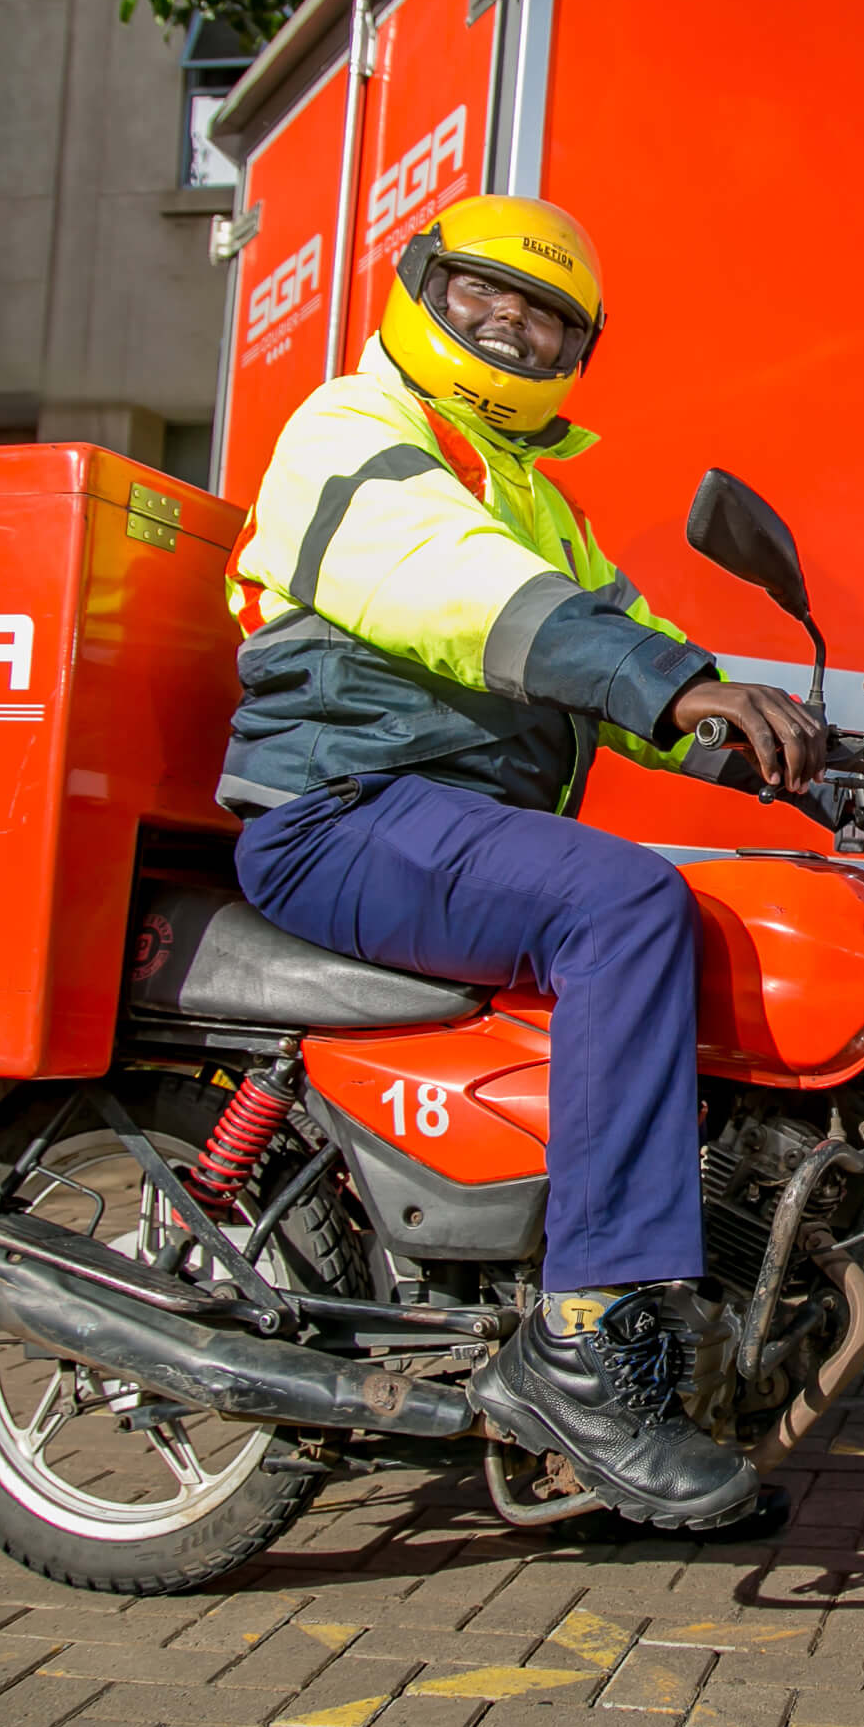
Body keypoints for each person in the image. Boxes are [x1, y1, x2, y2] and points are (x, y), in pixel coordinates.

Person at [217, 194, 823, 1529]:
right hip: (339, 809)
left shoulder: (535, 498)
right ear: (422, 286)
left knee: (717, 923)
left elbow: (631, 639)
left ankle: (644, 1384)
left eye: (545, 316)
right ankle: (584, 1353)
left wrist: (784, 744)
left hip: (439, 821)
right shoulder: (353, 432)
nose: (513, 324)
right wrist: (662, 684)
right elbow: (461, 589)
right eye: (488, 295)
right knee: (622, 904)